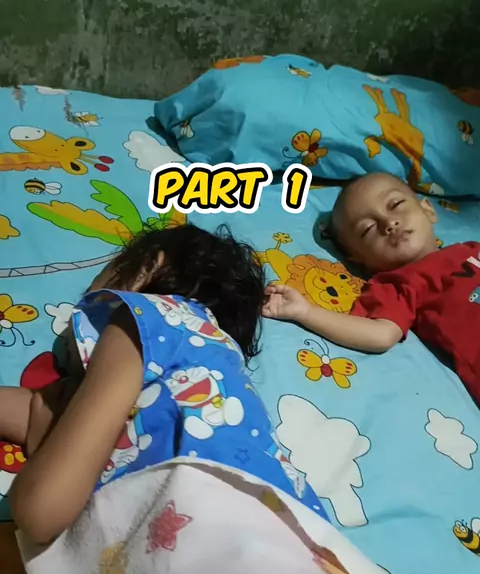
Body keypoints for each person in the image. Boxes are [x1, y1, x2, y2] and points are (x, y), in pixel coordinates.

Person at [8, 223, 324, 546]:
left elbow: (41, 510)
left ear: (144, 270)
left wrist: (45, 444)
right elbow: (37, 411)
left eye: (93, 291)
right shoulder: (177, 384)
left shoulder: (149, 322)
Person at [263, 172, 480, 404]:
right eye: (368, 229)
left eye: (395, 204)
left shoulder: (470, 248)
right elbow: (381, 335)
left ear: (428, 210)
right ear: (358, 258)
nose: (389, 223)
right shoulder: (396, 284)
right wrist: (305, 312)